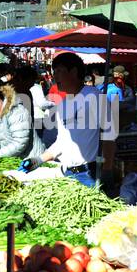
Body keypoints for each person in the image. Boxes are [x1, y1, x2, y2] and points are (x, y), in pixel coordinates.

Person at [39, 52, 117, 188]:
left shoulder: (94, 96)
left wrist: (107, 170)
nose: (55, 76)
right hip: (67, 174)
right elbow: (61, 143)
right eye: (54, 72)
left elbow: (109, 136)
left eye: (59, 71)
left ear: (74, 72)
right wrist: (38, 160)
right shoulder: (62, 104)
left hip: (89, 175)